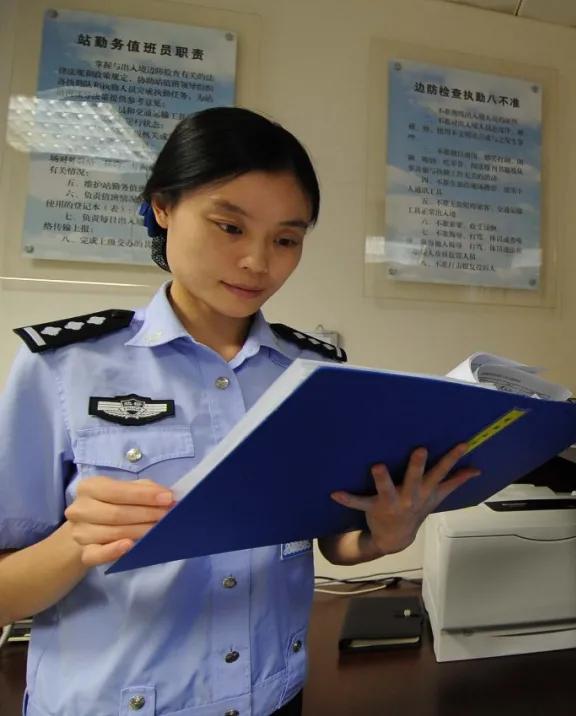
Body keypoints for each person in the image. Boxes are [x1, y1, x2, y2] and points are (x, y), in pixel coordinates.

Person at [0, 106, 480, 716]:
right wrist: (77, 542)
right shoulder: (62, 367)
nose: (258, 262)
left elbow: (336, 540)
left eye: (286, 239)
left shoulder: (315, 375)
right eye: (230, 228)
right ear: (163, 207)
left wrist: (383, 536)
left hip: (274, 698)